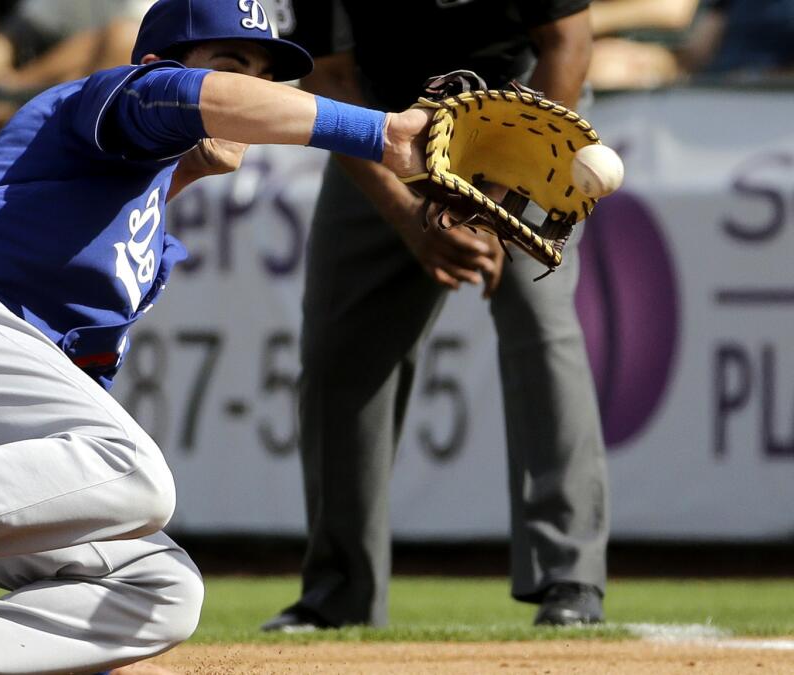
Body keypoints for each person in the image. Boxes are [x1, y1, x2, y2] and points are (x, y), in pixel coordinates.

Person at [0, 1, 442, 673]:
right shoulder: (116, 101)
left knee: (160, 585)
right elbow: (189, 97)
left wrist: (68, 646)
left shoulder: (142, 235)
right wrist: (382, 132)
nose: (252, 90)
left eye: (265, 75)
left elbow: (54, 453)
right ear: (166, 64)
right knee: (136, 470)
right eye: (232, 64)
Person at [261, 0, 610, 632]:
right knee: (341, 357)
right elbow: (330, 79)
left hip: (523, 121)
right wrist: (408, 218)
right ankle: (340, 593)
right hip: (386, 130)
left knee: (542, 327)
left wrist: (502, 197)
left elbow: (567, 42)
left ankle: (570, 575)